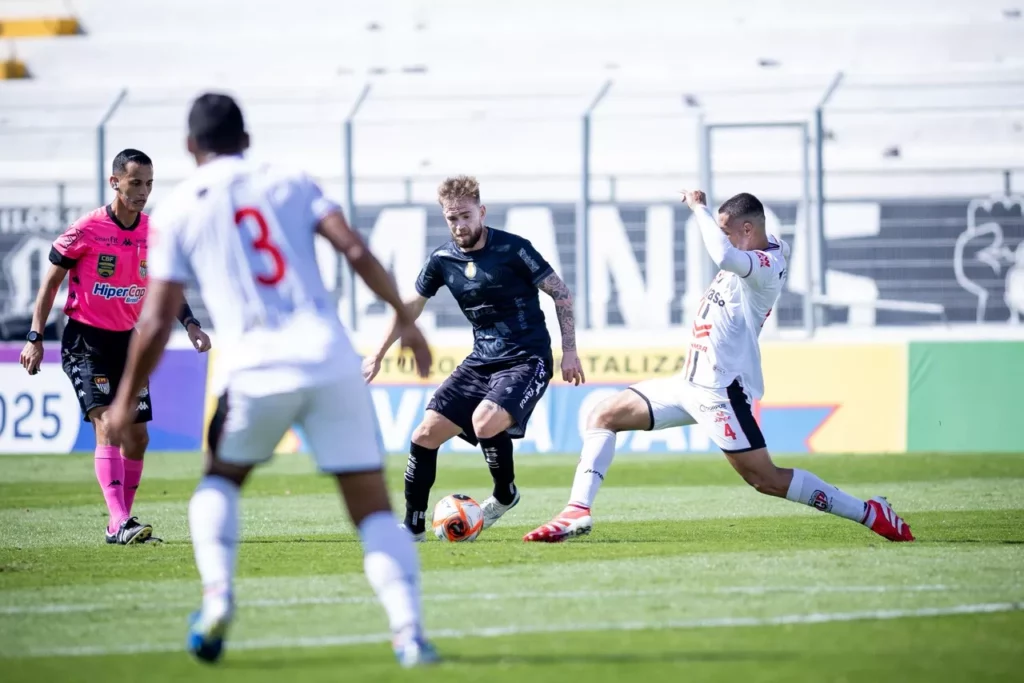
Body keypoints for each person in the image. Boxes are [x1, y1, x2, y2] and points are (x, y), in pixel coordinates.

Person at [105, 93, 438, 667]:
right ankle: (408, 634)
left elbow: (157, 320)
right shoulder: (291, 180)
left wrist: (123, 398)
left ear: (190, 147)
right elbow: (355, 249)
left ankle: (216, 600)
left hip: (253, 369)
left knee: (219, 482)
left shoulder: (181, 208)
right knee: (374, 511)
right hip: (330, 359)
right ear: (248, 139)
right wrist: (406, 321)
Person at [524, 190, 915, 544]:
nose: (721, 237)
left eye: (726, 231)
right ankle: (577, 511)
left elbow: (725, 255)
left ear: (748, 230)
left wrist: (699, 209)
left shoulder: (765, 265)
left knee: (766, 479)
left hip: (720, 391)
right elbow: (728, 252)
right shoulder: (750, 250)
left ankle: (869, 512)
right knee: (603, 414)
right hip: (688, 384)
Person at [362, 175, 585, 541]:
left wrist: (570, 351)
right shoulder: (441, 259)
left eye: (466, 216)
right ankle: (413, 527)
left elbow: (560, 292)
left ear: (481, 212)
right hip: (481, 360)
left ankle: (504, 494)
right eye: (452, 219)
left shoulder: (514, 249)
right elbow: (410, 308)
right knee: (424, 434)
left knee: (484, 422)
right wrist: (377, 355)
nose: (460, 225)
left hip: (528, 358)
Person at [19, 148, 211, 546]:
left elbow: (166, 286)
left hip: (129, 343)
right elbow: (50, 283)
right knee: (107, 425)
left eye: (149, 184)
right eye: (136, 183)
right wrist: (36, 336)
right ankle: (119, 520)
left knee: (138, 438)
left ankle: (120, 520)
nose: (143, 191)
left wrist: (190, 324)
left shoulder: (153, 233)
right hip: (86, 341)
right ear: (115, 182)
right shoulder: (87, 229)